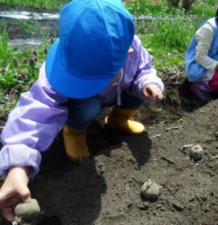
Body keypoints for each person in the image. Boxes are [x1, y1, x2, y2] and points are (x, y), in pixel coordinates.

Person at [0, 0, 164, 222]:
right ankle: (74, 131)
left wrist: (148, 83)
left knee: (139, 92)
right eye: (79, 79)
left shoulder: (134, 51)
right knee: (87, 105)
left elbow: (145, 69)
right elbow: (36, 110)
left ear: (128, 53)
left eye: (94, 79)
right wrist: (18, 167)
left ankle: (117, 120)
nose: (85, 83)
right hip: (85, 104)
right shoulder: (66, 58)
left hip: (118, 95)